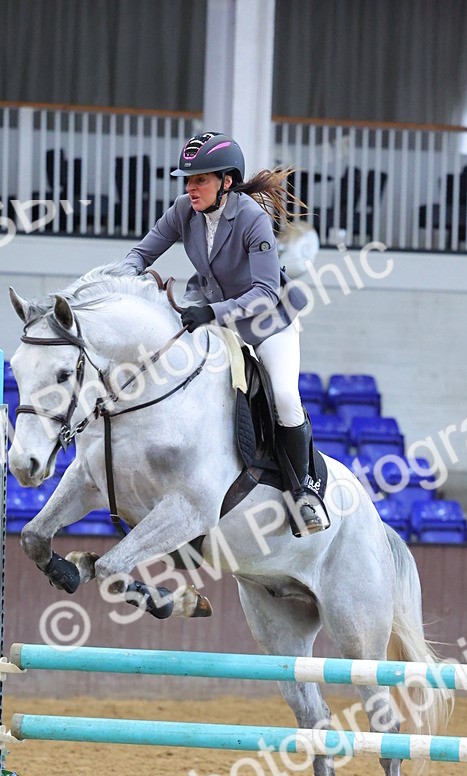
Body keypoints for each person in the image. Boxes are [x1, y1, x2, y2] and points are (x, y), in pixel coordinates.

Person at [117, 131, 328, 535]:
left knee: (284, 395)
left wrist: (211, 312)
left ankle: (303, 492)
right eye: (188, 180)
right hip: (211, 316)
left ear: (226, 182)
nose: (190, 187)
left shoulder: (253, 219)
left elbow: (265, 292)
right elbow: (142, 254)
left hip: (267, 323)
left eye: (200, 179)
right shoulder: (184, 211)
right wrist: (114, 281)